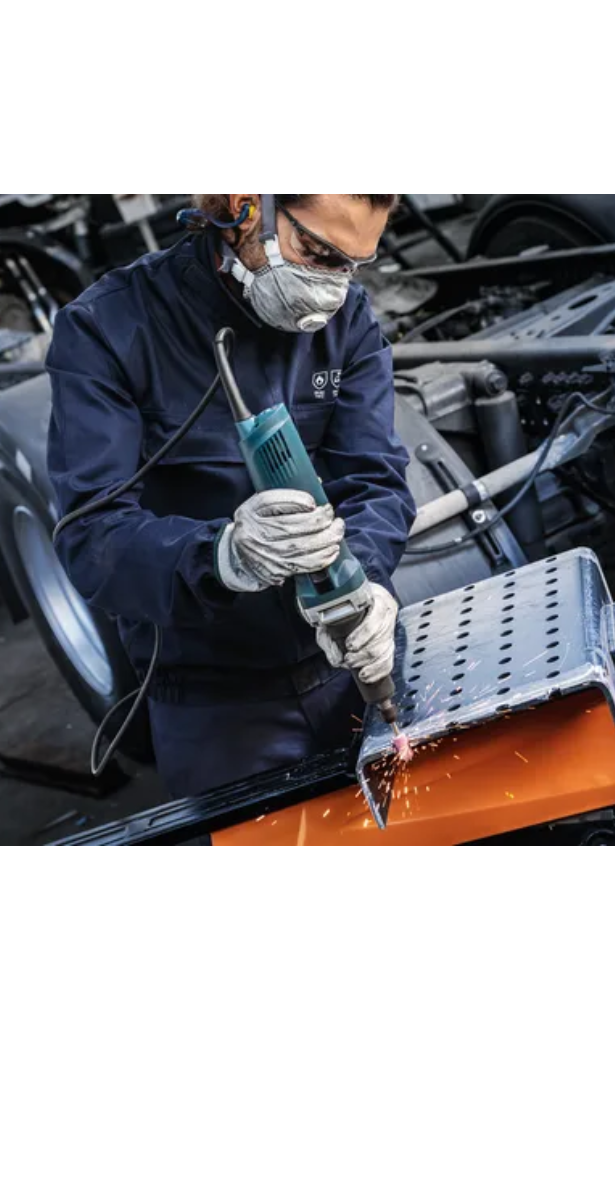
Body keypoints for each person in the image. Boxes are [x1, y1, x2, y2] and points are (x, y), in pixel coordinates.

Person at [47, 194, 414, 800]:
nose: (331, 288)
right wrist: (223, 557)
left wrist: (366, 585)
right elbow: (90, 537)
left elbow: (374, 477)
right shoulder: (107, 329)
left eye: (352, 265)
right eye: (317, 253)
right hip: (217, 701)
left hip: (350, 660)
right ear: (244, 206)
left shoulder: (348, 317)